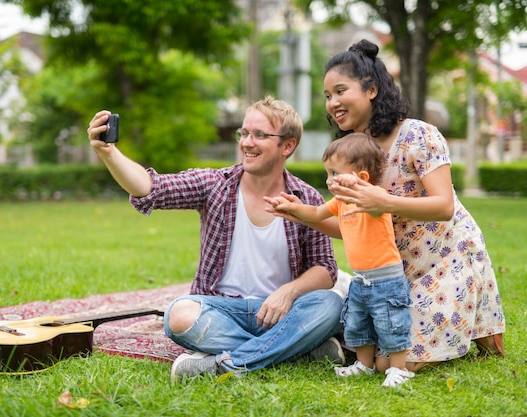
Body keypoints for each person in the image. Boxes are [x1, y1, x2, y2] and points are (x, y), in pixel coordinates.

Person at [86, 95, 346, 381]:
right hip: (222, 310)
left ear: (287, 145)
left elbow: (325, 269)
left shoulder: (305, 197)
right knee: (179, 315)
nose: (247, 142)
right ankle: (297, 350)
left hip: (279, 314)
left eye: (260, 135)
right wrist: (109, 153)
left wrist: (288, 292)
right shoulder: (215, 184)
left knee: (330, 304)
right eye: (244, 133)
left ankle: (227, 363)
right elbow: (151, 188)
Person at [318, 39, 505, 372]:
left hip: (446, 261)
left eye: (340, 91)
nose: (333, 103)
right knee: (372, 355)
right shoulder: (353, 153)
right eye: (328, 96)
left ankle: (468, 325)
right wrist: (298, 214)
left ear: (371, 90)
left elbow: (444, 205)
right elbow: (350, 224)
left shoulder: (418, 135)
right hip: (393, 276)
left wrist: (383, 202)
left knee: (391, 362)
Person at [265, 132, 414, 387]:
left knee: (392, 324)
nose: (329, 180)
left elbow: (375, 199)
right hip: (361, 279)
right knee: (358, 324)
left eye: (335, 173)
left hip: (386, 280)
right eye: (328, 173)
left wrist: (366, 194)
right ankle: (364, 365)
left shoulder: (374, 198)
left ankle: (399, 369)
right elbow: (316, 212)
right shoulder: (341, 202)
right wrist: (292, 206)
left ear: (362, 178)